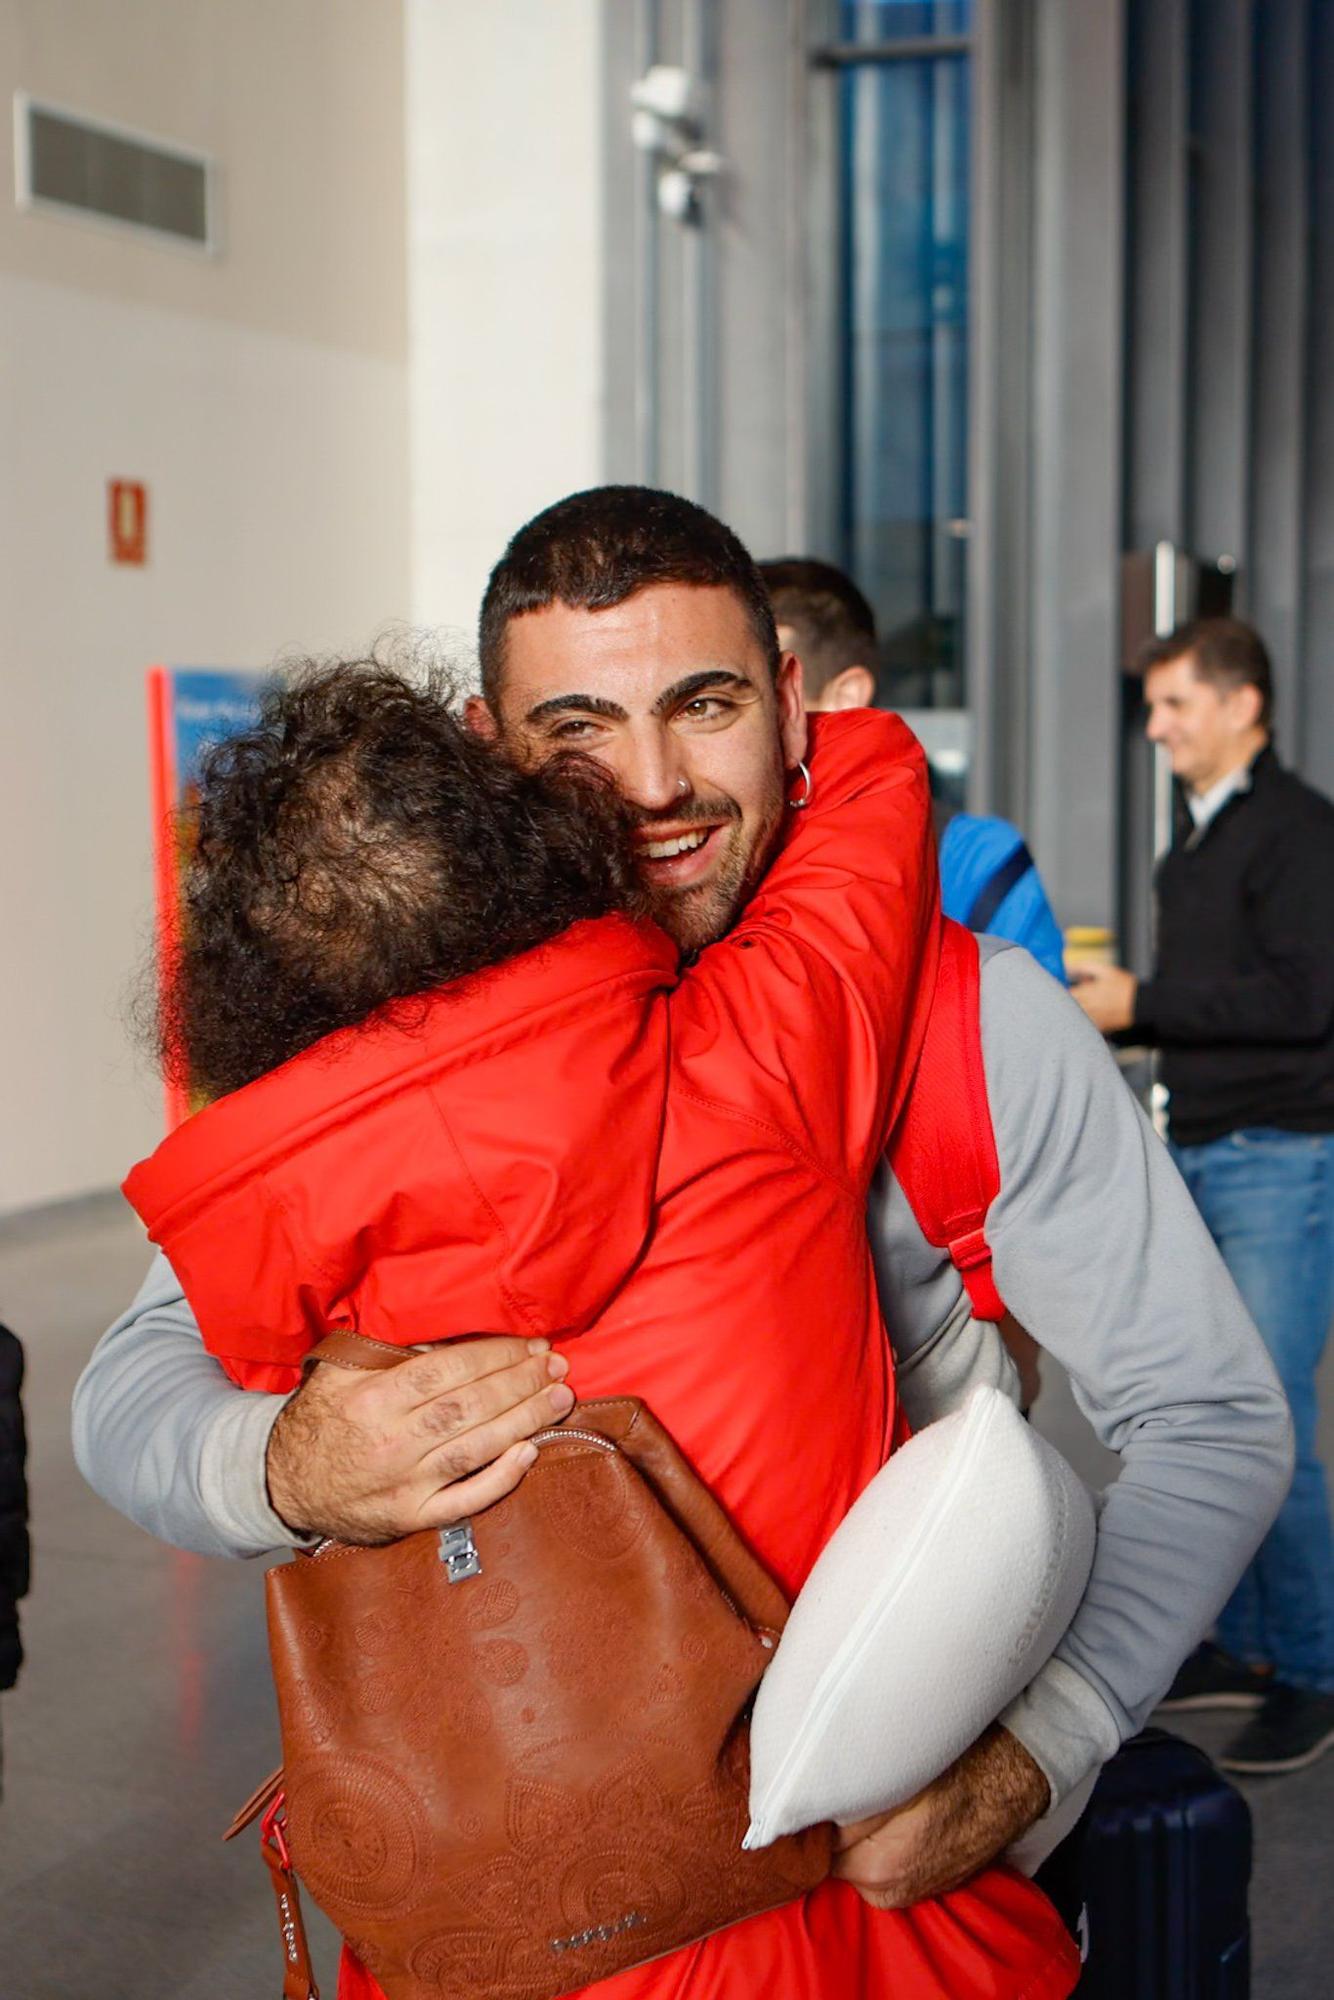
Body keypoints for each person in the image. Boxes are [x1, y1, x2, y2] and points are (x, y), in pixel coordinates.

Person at [75, 488, 1292, 1916]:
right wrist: (281, 1465)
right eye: (577, 730)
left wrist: (1039, 1750)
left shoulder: (973, 1024)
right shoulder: (385, 1044)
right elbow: (130, 1388)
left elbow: (1209, 1416)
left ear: (787, 703)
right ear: (491, 757)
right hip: (509, 1897)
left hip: (877, 1880)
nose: (653, 786)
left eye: (702, 704)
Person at [118, 639, 1085, 1999]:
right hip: (823, 1937)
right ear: (536, 847)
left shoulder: (254, 1230)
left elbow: (129, 1394)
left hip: (479, 1947)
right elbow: (871, 779)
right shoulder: (759, 1058)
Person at [1074, 616, 1334, 1773]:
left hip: (1276, 1152)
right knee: (1218, 1400)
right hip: (1211, 1144)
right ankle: (1244, 1643)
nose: (1154, 723)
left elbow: (1299, 1001)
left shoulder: (1297, 831)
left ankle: (1317, 1671)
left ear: (1242, 705)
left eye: (1174, 701)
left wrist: (1140, 1003)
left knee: (1265, 1414)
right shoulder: (1194, 838)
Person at [759, 556, 1067, 983]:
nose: (744, 720)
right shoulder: (718, 855)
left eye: (771, 693)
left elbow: (1035, 1038)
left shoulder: (971, 857)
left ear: (846, 695)